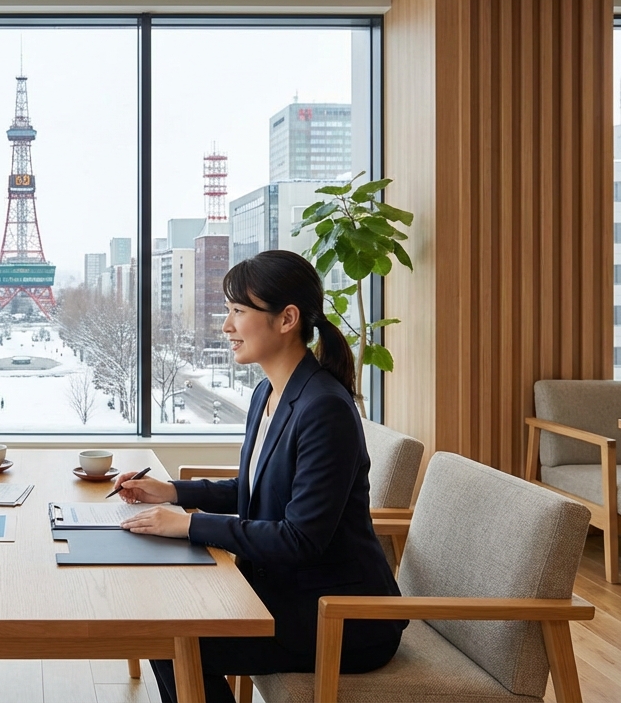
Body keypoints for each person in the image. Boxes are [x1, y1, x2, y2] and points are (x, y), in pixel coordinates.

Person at [116, 250, 405, 703]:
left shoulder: (323, 407)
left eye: (238, 312)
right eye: (228, 311)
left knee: (174, 639)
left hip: (339, 616)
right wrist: (172, 491)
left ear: (287, 318)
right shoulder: (269, 392)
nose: (226, 326)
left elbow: (300, 539)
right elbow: (254, 491)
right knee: (164, 623)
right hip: (288, 591)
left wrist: (189, 523)